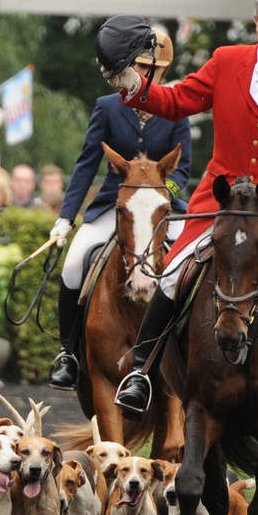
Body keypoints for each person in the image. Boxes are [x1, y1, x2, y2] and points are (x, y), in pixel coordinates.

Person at [102, 0, 258, 433]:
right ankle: (140, 373)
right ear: (255, 22)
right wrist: (134, 87)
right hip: (222, 198)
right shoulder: (226, 60)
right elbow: (178, 101)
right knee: (175, 271)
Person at [47, 25, 191, 390]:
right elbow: (86, 164)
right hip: (115, 206)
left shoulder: (176, 109)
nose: (141, 74)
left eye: (148, 68)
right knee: (75, 262)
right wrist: (66, 217)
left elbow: (184, 167)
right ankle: (68, 353)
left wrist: (161, 194)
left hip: (161, 208)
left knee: (194, 263)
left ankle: (191, 350)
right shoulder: (108, 107)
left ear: (162, 70)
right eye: (136, 66)